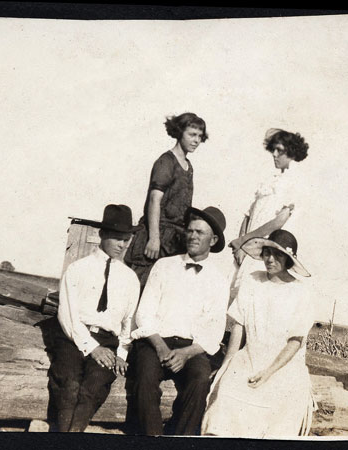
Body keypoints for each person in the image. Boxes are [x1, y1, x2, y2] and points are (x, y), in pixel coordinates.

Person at [128, 206, 232, 435]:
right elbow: (144, 313)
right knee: (144, 378)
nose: (193, 236)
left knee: (200, 380)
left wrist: (185, 354)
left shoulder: (218, 280)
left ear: (213, 240)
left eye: (200, 233)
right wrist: (161, 347)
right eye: (191, 231)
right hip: (155, 342)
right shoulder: (164, 266)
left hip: (191, 348)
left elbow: (214, 330)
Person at [202, 229, 314, 438]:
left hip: (284, 366)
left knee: (279, 407)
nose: (270, 259)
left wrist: (269, 371)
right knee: (225, 396)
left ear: (289, 259)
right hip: (249, 357)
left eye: (277, 254)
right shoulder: (253, 280)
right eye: (266, 253)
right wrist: (228, 364)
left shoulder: (301, 291)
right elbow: (239, 325)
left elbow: (296, 341)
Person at [48, 204, 141, 432]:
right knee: (68, 384)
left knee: (95, 386)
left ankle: (71, 437)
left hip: (108, 341)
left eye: (126, 239)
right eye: (117, 238)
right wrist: (92, 347)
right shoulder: (78, 269)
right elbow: (67, 315)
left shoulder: (130, 279)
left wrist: (121, 354)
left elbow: (128, 322)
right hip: (73, 337)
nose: (122, 245)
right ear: (102, 235)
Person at [125, 112, 209, 289]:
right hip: (156, 235)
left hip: (174, 240)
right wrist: (154, 238)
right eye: (192, 134)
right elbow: (155, 200)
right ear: (179, 133)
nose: (196, 140)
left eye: (200, 136)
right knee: (140, 287)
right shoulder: (166, 162)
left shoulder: (188, 166)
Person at [227, 128, 309, 300]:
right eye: (274, 149)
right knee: (236, 294)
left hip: (263, 250)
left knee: (252, 294)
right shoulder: (271, 180)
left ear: (292, 152)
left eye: (280, 150)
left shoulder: (295, 181)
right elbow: (248, 215)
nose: (274, 154)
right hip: (247, 248)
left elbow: (278, 222)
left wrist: (244, 241)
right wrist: (241, 244)